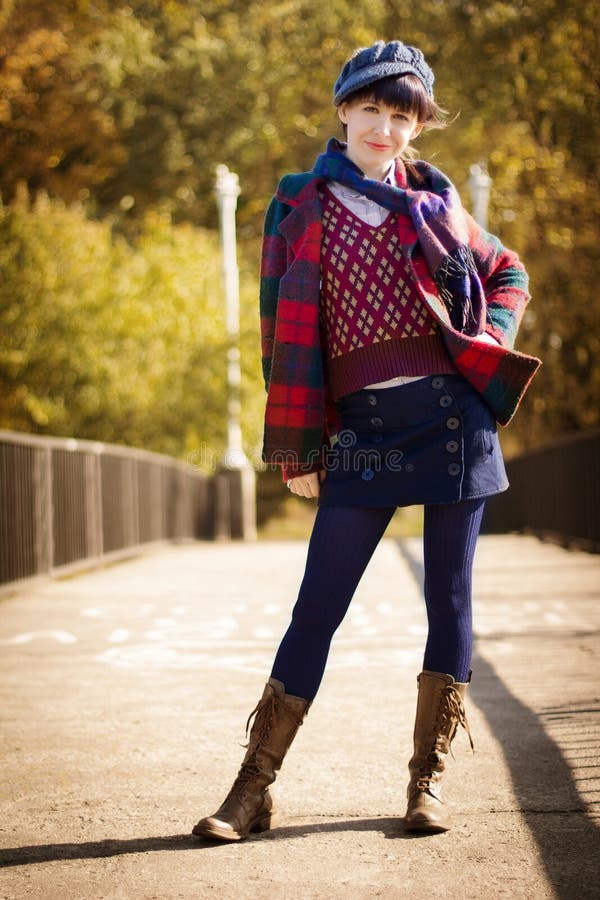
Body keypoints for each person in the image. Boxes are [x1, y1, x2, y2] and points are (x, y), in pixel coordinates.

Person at [193, 39, 540, 842]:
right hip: (362, 432)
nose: (386, 129)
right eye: (374, 110)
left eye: (403, 116)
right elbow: (277, 330)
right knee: (317, 607)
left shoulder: (437, 204)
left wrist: (486, 335)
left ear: (418, 127)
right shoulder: (300, 206)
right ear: (344, 110)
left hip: (455, 422)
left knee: (448, 600)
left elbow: (509, 270)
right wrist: (297, 445)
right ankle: (252, 791)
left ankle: (427, 782)